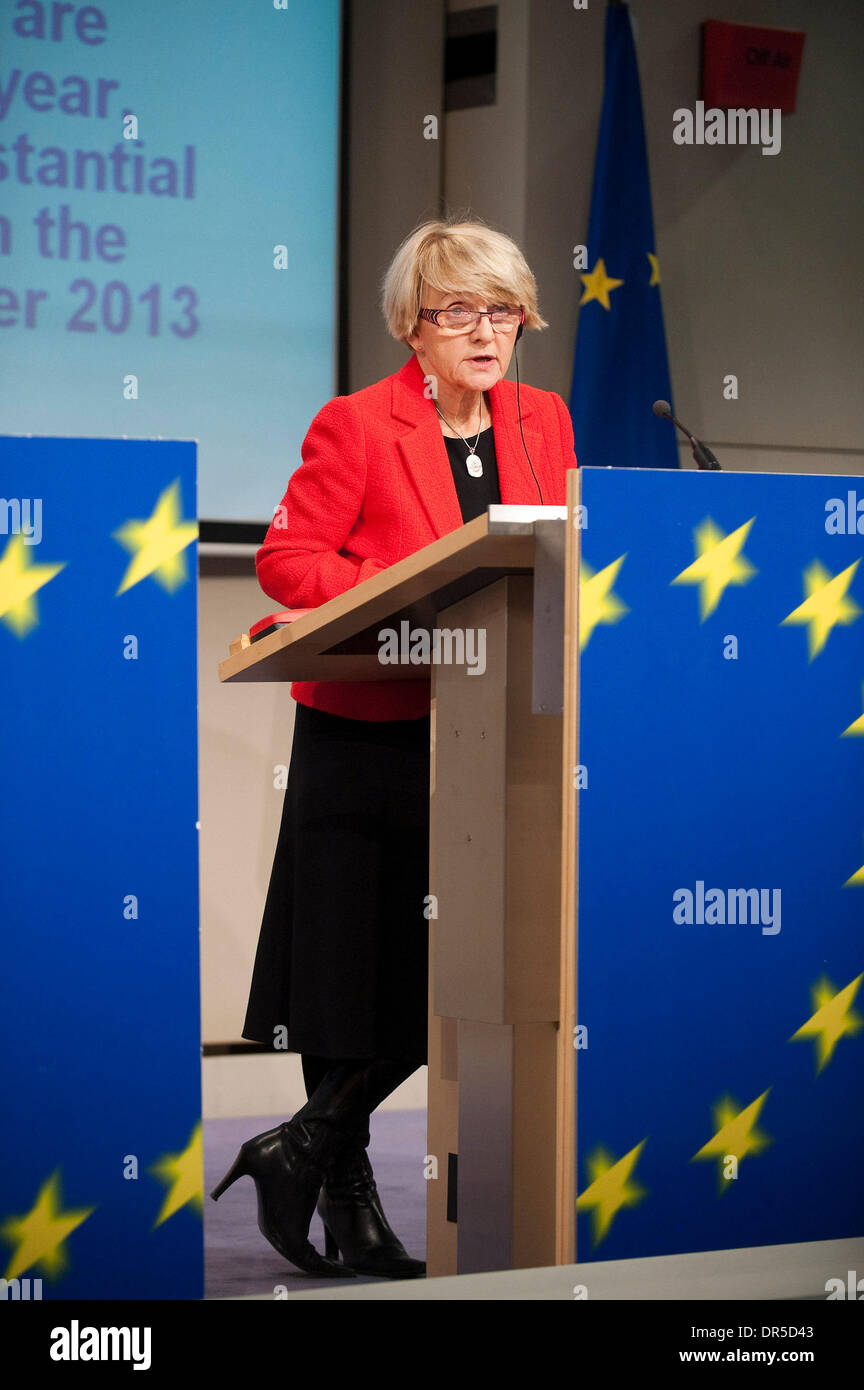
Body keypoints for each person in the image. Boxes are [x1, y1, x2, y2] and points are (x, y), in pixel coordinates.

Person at [211, 217, 578, 1279]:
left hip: (498, 732)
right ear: (412, 324)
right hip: (367, 734)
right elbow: (289, 561)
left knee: (457, 966)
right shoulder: (358, 425)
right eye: (458, 309)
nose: (484, 330)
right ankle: (350, 1198)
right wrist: (396, 600)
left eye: (502, 308)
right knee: (348, 969)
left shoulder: (542, 419)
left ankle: (303, 1145)